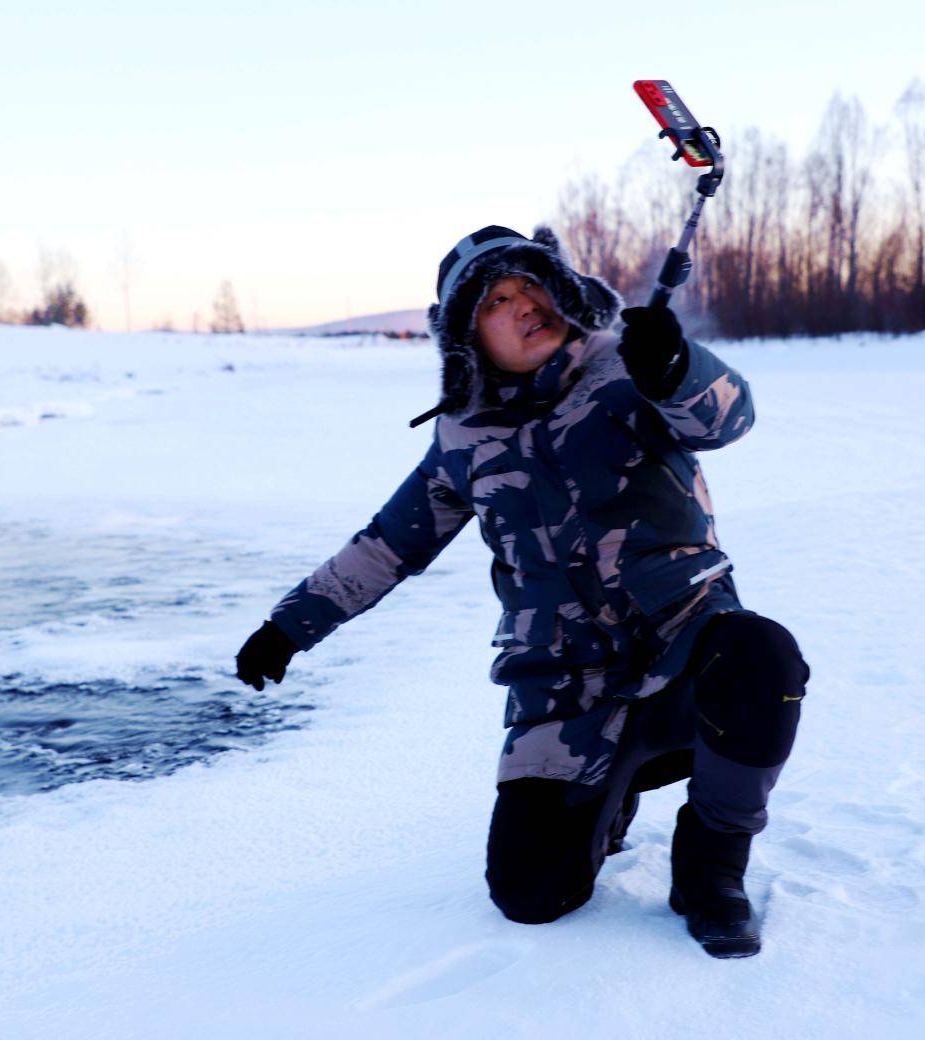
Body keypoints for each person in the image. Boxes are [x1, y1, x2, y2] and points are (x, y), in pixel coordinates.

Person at [235, 225, 809, 958]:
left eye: (531, 285)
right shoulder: (461, 438)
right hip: (567, 684)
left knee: (762, 656)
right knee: (531, 895)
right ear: (469, 336)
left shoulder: (626, 370)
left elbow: (727, 418)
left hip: (684, 643)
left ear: (561, 290)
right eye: (496, 300)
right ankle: (610, 785)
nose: (523, 306)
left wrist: (674, 365)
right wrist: (289, 627)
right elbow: (387, 545)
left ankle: (710, 868)